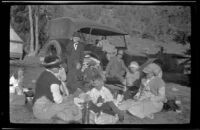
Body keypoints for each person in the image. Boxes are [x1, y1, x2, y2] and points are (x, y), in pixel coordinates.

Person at [32, 55, 82, 122]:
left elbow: (63, 83)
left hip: (38, 107)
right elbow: (58, 100)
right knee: (70, 110)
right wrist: (67, 100)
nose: (60, 68)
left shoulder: (45, 73)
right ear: (53, 68)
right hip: (43, 109)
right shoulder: (53, 81)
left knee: (69, 106)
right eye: (58, 66)